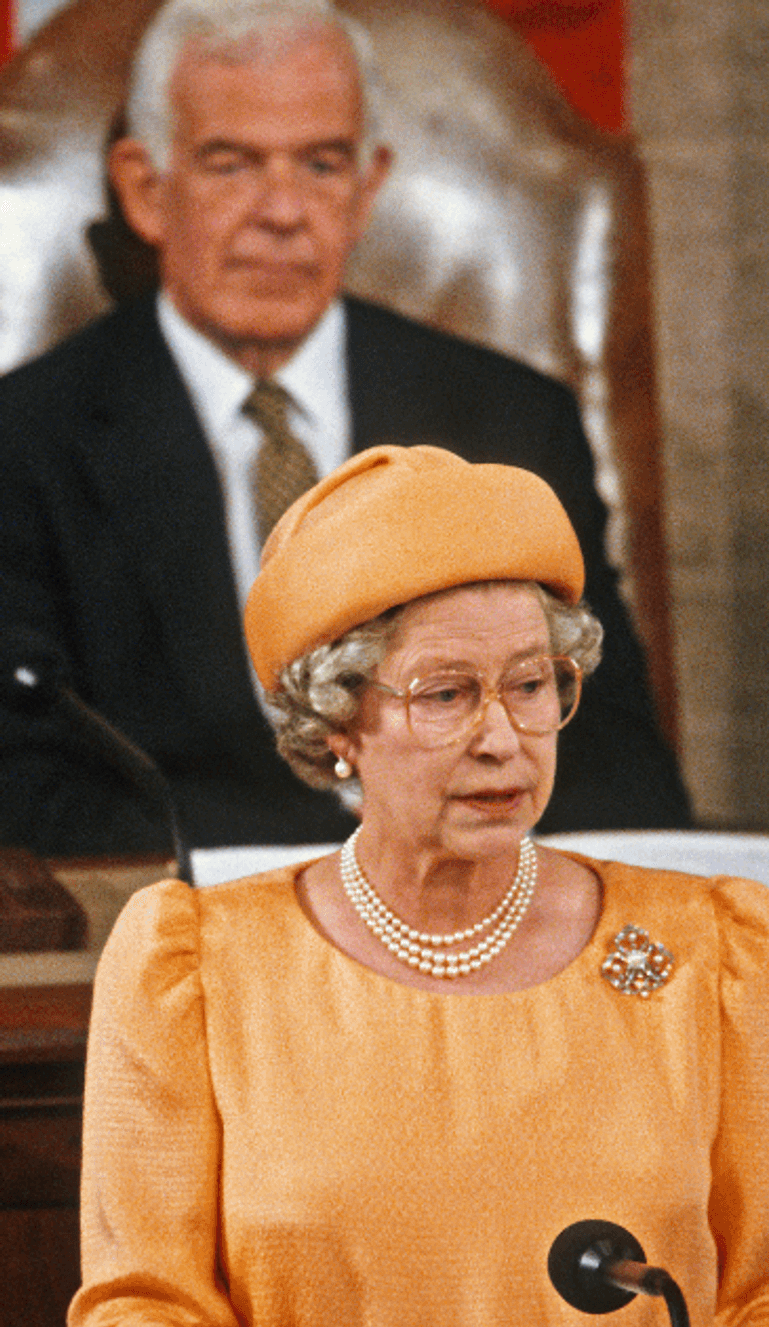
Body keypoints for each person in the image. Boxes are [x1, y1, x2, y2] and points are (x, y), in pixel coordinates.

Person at [67, 445, 769, 1327]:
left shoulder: (714, 947)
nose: (503, 737)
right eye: (446, 694)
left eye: (531, 684)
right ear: (337, 720)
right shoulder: (197, 961)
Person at [0, 0, 690, 856]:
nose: (283, 212)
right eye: (231, 164)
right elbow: (27, 790)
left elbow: (618, 767)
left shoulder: (510, 421)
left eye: (322, 165)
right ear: (147, 190)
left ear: (367, 191)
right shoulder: (24, 441)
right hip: (189, 930)